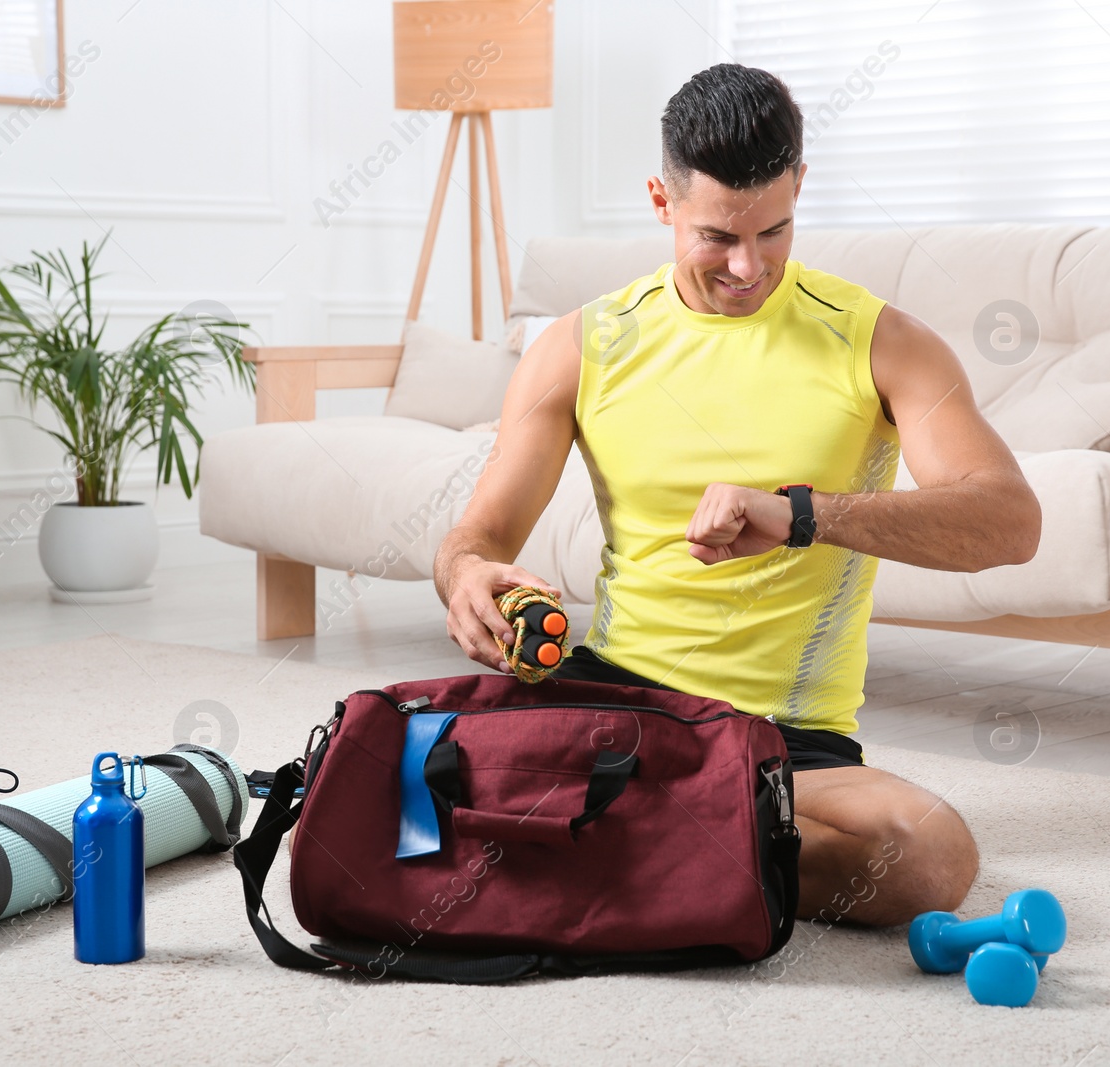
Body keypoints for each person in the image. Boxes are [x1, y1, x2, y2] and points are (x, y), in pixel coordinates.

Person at [431, 63, 1041, 926]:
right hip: (612, 704)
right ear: (661, 201)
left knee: (928, 855)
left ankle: (591, 845)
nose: (749, 266)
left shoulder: (880, 342)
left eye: (776, 230)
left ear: (800, 188)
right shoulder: (579, 346)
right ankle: (682, 853)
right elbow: (477, 535)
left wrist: (801, 514)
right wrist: (463, 577)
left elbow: (1011, 523)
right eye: (717, 236)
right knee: (384, 785)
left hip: (786, 747)